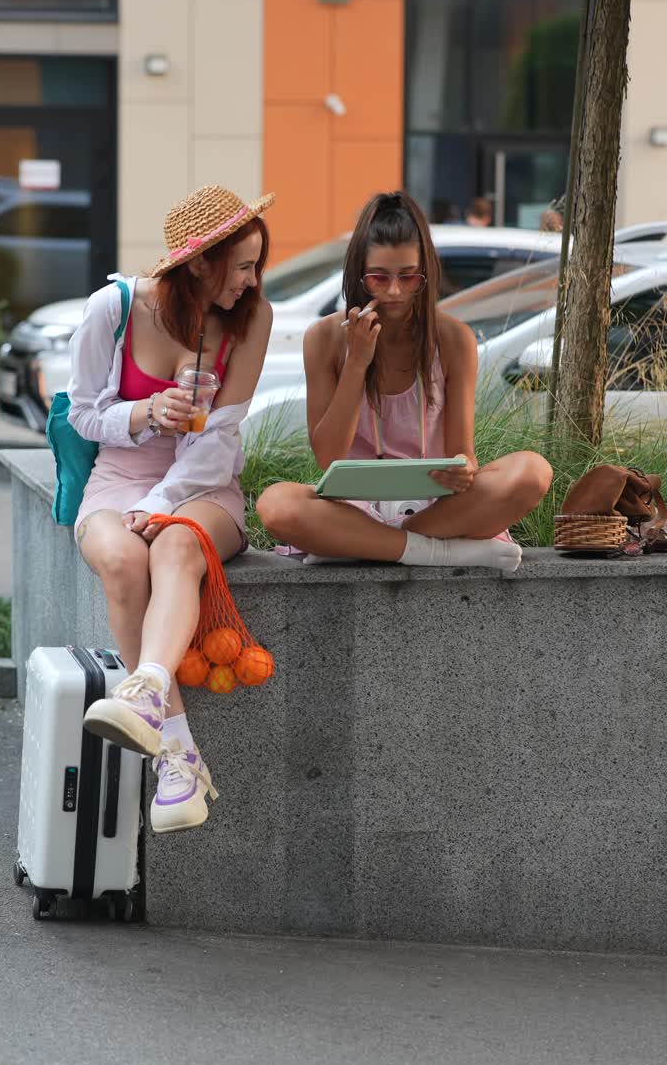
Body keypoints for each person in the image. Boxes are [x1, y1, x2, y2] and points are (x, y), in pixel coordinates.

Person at [67, 184, 274, 833]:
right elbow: (81, 413)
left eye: (256, 265)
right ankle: (181, 763)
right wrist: (146, 413)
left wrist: (160, 505)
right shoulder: (116, 308)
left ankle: (147, 691)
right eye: (241, 266)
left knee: (178, 543)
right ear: (197, 264)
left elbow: (218, 443)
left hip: (204, 489)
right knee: (123, 560)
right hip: (118, 479)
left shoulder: (250, 319)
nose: (252, 281)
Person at [257, 191, 552, 570]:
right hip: (354, 509)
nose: (394, 291)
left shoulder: (453, 339)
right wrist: (357, 361)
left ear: (424, 275)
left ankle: (374, 545)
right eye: (379, 277)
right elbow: (328, 456)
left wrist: (462, 468)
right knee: (276, 504)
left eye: (408, 277)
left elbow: (464, 452)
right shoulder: (325, 338)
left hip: (435, 509)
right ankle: (435, 553)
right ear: (359, 274)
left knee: (532, 471)